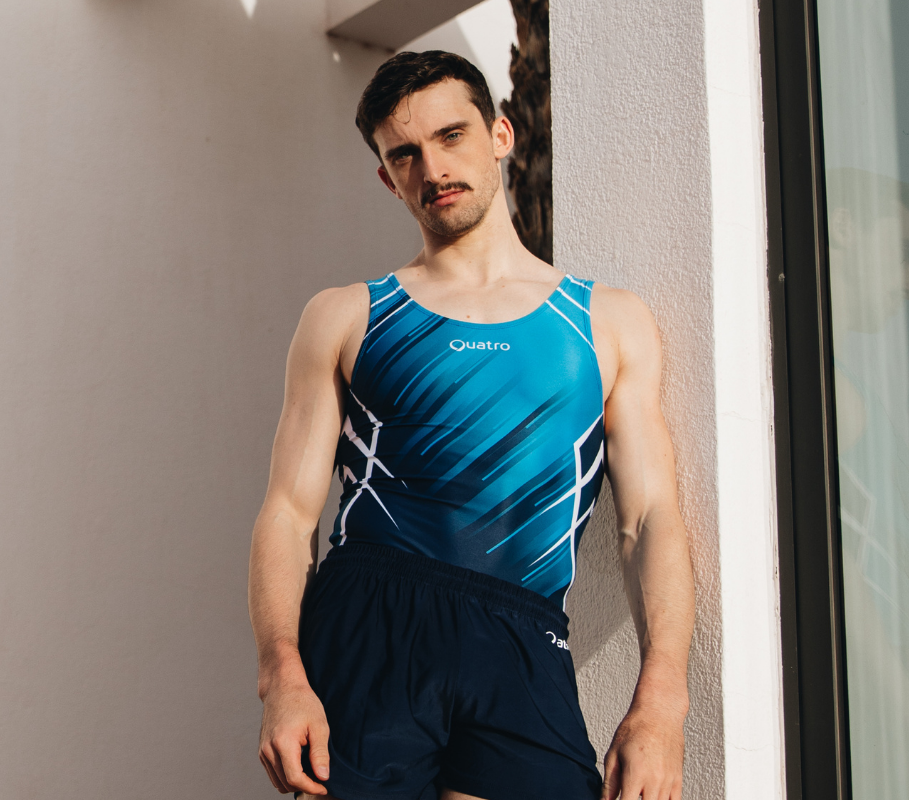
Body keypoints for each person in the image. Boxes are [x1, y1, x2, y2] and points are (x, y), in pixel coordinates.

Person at [248, 51, 694, 800]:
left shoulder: (606, 322)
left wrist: (662, 705)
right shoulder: (347, 316)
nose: (433, 168)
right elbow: (289, 516)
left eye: (451, 136)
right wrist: (281, 677)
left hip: (523, 635)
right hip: (371, 622)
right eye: (405, 154)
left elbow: (649, 519)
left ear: (501, 135)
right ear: (387, 178)